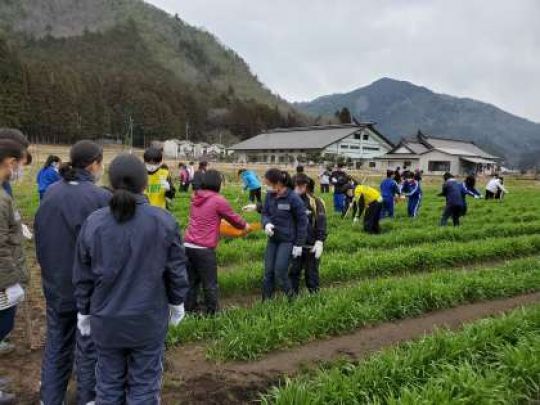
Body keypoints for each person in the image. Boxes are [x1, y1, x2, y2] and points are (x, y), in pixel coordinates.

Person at [73, 154, 189, 405]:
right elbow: (176, 270)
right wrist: (177, 302)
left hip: (106, 320)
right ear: (144, 184)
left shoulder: (94, 222)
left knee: (108, 383)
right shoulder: (163, 221)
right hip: (147, 320)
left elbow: (83, 275)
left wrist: (83, 310)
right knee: (145, 385)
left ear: (111, 183)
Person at [34, 140, 111, 405]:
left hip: (55, 285)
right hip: (87, 289)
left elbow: (40, 238)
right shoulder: (101, 198)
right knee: (88, 348)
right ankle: (88, 398)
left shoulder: (51, 193)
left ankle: (50, 398)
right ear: (94, 164)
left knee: (57, 343)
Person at [184, 170, 249, 314]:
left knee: (191, 281)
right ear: (217, 183)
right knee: (210, 283)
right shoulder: (218, 200)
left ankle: (189, 309)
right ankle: (212, 312)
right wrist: (245, 226)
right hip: (204, 248)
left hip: (188, 245)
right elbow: (234, 219)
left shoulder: (195, 197)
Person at [0, 140, 28, 405]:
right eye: (20, 163)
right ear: (10, 162)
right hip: (2, 280)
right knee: (2, 324)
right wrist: (10, 283)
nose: (21, 169)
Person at [262, 169, 308, 300]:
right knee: (268, 272)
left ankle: (292, 299)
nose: (267, 187)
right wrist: (266, 223)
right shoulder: (270, 196)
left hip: (287, 241)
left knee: (280, 272)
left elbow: (302, 222)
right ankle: (266, 301)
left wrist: (299, 244)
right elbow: (265, 213)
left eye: (269, 184)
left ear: (278, 184)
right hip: (273, 239)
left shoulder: (293, 198)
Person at [289, 174, 327, 295]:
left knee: (311, 274)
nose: (294, 190)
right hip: (295, 245)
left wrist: (320, 241)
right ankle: (292, 299)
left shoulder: (316, 202)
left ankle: (315, 297)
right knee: (293, 272)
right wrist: (258, 207)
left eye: (297, 186)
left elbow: (321, 222)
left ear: (304, 186)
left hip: (311, 245)